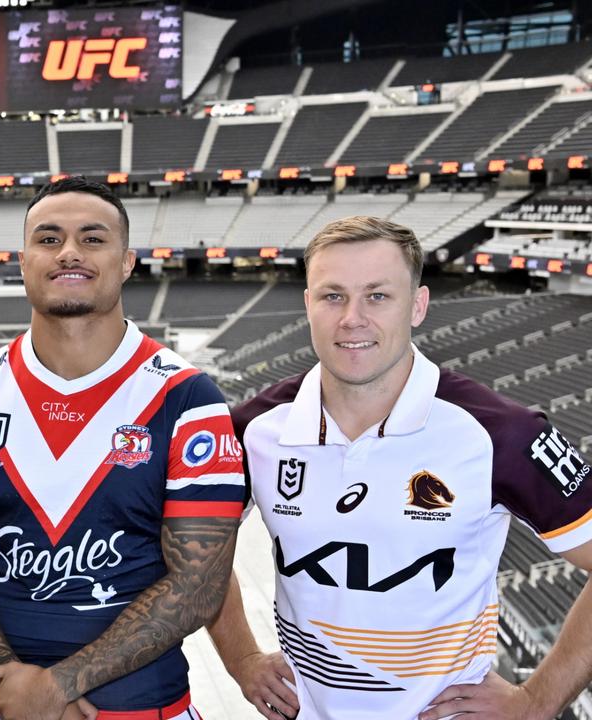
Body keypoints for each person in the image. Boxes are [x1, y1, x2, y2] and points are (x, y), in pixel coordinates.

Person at [208, 216, 592, 719]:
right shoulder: (252, 429)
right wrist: (242, 660)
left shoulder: (502, 433)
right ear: (308, 304)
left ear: (418, 305)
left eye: (378, 296)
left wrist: (536, 701)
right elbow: (197, 556)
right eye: (332, 296)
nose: (352, 318)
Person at [0, 176, 246, 720]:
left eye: (93, 239)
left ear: (126, 261)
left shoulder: (186, 397)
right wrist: (14, 683)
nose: (69, 252)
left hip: (140, 708)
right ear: (22, 261)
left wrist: (58, 687)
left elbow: (198, 584)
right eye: (48, 239)